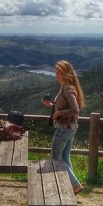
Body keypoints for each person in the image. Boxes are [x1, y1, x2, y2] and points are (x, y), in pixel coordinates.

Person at [42, 60, 85, 195]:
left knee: (55, 157)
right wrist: (52, 105)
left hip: (64, 128)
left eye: (59, 72)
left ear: (66, 73)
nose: (57, 75)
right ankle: (70, 186)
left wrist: (60, 113)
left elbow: (75, 109)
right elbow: (65, 105)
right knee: (65, 158)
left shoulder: (67, 89)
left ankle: (76, 185)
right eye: (56, 72)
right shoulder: (66, 87)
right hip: (70, 127)